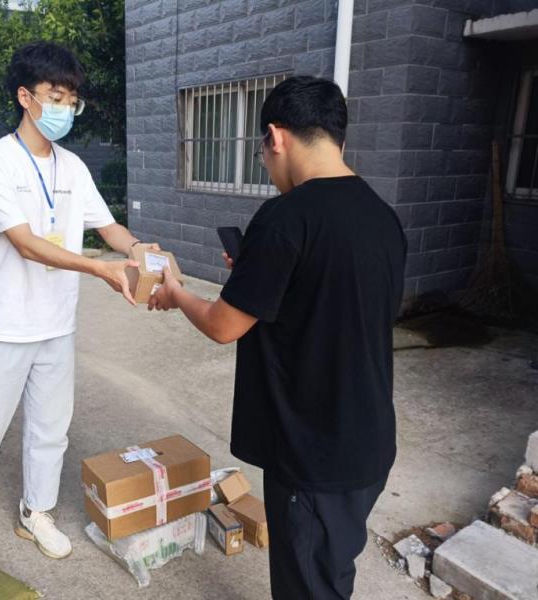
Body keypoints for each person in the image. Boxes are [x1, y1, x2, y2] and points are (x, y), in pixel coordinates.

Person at [151, 76, 407, 599]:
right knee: (330, 571)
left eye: (262, 154)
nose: (266, 167)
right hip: (369, 442)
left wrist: (176, 294)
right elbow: (333, 301)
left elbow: (223, 325)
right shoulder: (384, 218)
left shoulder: (286, 216)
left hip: (315, 454)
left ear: (276, 136)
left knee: (308, 587)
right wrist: (257, 276)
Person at [0, 41, 157, 559]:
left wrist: (139, 250)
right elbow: (26, 243)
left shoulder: (72, 167)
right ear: (25, 97)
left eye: (71, 100)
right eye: (56, 97)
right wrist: (99, 268)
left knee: (51, 429)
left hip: (57, 323)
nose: (65, 109)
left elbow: (108, 226)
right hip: (5, 324)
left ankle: (37, 512)